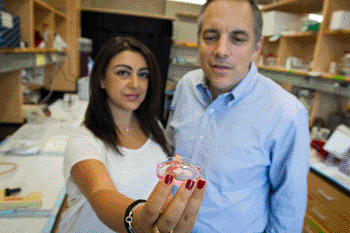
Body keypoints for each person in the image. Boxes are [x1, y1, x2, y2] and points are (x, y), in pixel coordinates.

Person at [166, 0, 310, 232]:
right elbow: (171, 154)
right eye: (210, 36)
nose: (221, 51)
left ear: (257, 47)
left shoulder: (286, 113)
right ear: (199, 40)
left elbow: (289, 209)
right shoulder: (186, 86)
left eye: (238, 39)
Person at [57, 36, 207, 233]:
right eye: (123, 73)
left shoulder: (153, 127)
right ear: (101, 79)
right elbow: (101, 192)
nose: (136, 83)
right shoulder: (83, 140)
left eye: (143, 74)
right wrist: (137, 218)